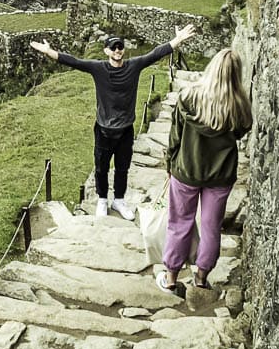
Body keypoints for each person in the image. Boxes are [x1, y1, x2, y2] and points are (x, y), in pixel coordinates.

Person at [30, 24, 196, 219]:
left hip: (125, 129)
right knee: (101, 167)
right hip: (103, 129)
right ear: (106, 51)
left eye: (120, 47)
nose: (118, 51)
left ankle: (118, 200)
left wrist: (177, 40)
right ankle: (102, 199)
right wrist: (49, 51)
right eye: (114, 48)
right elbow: (74, 61)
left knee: (122, 167)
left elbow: (155, 54)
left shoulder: (133, 66)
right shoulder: (98, 68)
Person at [156, 46, 250, 294]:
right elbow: (242, 131)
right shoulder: (239, 105)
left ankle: (171, 277)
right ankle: (201, 276)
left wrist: (170, 165)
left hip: (186, 170)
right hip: (220, 176)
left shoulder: (188, 97)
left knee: (180, 223)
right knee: (211, 226)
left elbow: (174, 136)